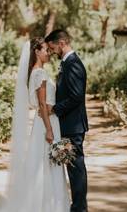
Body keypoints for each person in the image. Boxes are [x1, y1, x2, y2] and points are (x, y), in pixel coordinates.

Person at [0, 37, 70, 212]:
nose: (48, 53)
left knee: (46, 162)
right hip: (46, 124)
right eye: (45, 50)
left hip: (46, 121)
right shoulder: (39, 73)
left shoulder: (36, 72)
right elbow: (42, 104)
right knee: (47, 163)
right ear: (36, 52)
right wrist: (49, 130)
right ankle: (47, 205)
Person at [45, 29, 89, 212]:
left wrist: (55, 109)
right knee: (71, 167)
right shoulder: (67, 63)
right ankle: (77, 206)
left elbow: (76, 96)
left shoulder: (73, 64)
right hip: (67, 125)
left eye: (52, 47)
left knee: (75, 167)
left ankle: (79, 208)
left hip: (73, 126)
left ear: (61, 43)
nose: (51, 51)